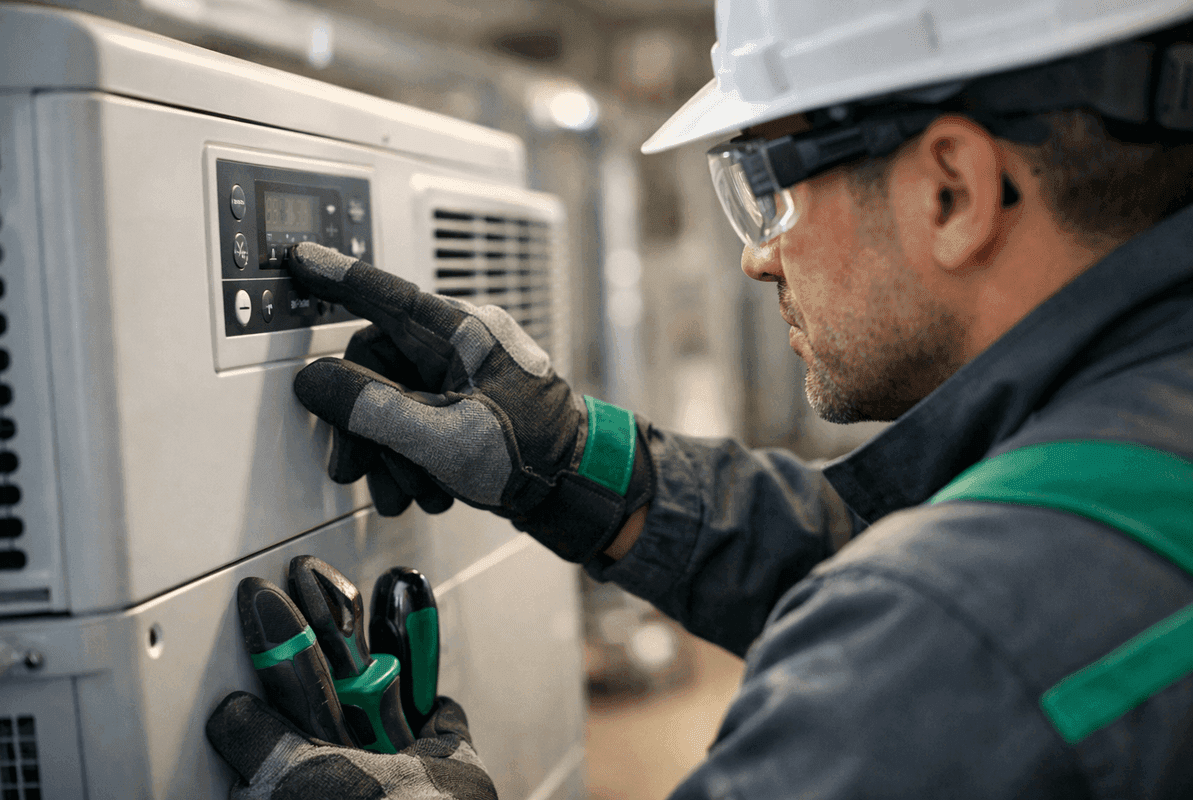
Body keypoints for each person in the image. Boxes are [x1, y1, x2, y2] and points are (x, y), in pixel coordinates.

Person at [207, 0, 1193, 796]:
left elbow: (952, 613)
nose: (759, 254)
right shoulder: (1137, 439)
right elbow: (937, 556)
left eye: (771, 185)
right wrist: (573, 458)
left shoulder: (944, 639)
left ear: (952, 191)